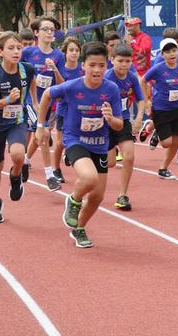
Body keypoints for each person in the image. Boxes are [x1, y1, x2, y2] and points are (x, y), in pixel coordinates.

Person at [36, 41, 122, 249]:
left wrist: (110, 119)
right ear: (83, 65)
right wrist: (41, 125)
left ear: (106, 66)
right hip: (75, 140)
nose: (96, 70)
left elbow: (119, 125)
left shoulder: (111, 89)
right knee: (89, 178)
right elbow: (47, 95)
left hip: (100, 144)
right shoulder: (73, 86)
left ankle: (79, 228)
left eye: (101, 65)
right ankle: (73, 200)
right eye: (92, 65)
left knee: (98, 196)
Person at [0, 32, 35, 223]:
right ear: (0, 51)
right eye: (11, 48)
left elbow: (32, 87)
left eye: (19, 48)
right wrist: (7, 100)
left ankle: (16, 176)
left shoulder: (27, 70)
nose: (16, 51)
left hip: (17, 121)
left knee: (18, 155)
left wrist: (34, 106)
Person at [142, 38, 178, 180]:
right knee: (166, 143)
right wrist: (146, 101)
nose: (172, 54)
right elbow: (143, 80)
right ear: (162, 55)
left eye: (174, 50)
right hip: (160, 108)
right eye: (168, 51)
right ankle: (155, 129)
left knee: (176, 142)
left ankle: (163, 168)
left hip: (175, 108)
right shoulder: (158, 68)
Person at [22, 15, 65, 187]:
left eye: (52, 30)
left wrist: (54, 69)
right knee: (45, 134)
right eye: (45, 29)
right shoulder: (28, 53)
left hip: (47, 103)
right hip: (31, 102)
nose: (49, 33)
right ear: (36, 33)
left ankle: (25, 161)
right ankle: (50, 176)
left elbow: (62, 84)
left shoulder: (58, 56)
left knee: (38, 137)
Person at [104, 44, 145, 210]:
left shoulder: (132, 78)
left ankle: (122, 195)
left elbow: (141, 99)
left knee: (129, 156)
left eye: (128, 61)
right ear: (112, 60)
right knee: (110, 163)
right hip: (105, 123)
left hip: (123, 120)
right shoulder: (107, 77)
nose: (124, 64)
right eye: (120, 60)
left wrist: (140, 117)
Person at [52, 37, 84, 185]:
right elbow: (58, 93)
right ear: (65, 52)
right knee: (60, 143)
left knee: (81, 141)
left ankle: (72, 157)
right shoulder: (61, 69)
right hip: (64, 110)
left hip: (80, 110)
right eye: (71, 50)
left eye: (77, 50)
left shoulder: (83, 69)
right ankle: (56, 169)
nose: (74, 53)